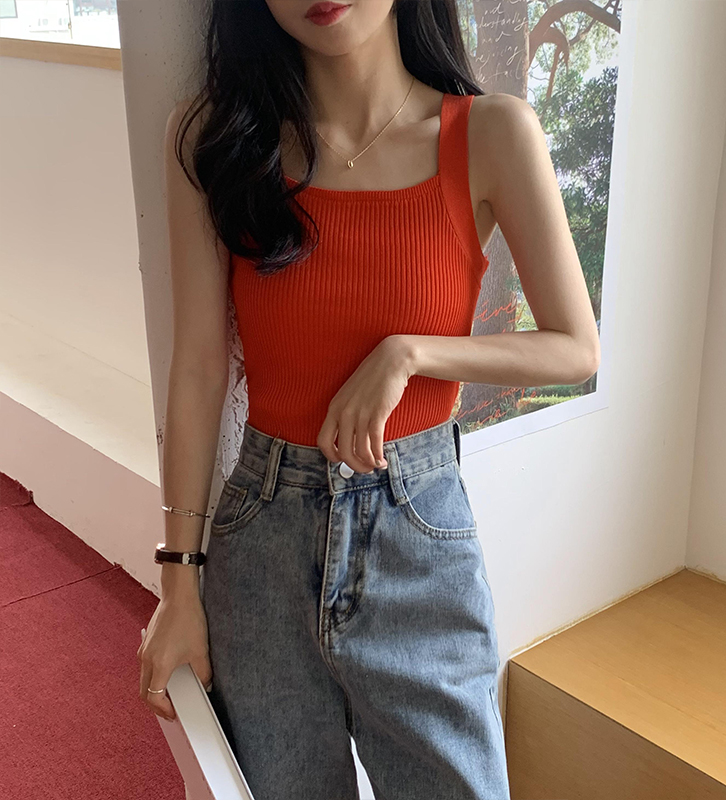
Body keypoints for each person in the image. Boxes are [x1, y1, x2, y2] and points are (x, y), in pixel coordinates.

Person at [137, 1, 601, 798]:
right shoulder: (217, 139)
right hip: (261, 547)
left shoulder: (490, 134)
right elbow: (199, 370)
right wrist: (179, 583)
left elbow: (575, 345)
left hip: (420, 539)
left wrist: (410, 354)